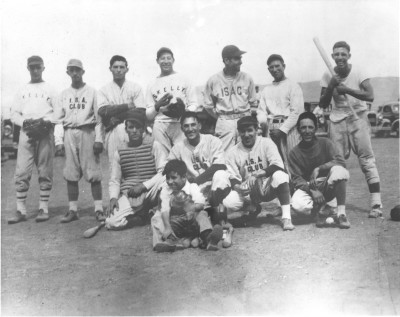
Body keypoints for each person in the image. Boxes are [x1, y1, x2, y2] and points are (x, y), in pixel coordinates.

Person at [319, 41, 383, 218]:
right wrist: (331, 85)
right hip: (337, 119)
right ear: (332, 56)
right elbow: (322, 103)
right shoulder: (327, 74)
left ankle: (376, 204)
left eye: (343, 54)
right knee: (336, 162)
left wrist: (347, 90)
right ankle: (333, 205)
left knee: (367, 160)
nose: (340, 57)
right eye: (336, 54)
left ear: (349, 56)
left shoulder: (358, 71)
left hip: (358, 117)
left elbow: (370, 95)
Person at [168, 111, 233, 247]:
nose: (190, 129)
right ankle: (202, 235)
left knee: (220, 176)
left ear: (199, 125)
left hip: (212, 187)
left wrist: (197, 180)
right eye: (186, 126)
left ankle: (223, 229)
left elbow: (220, 165)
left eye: (193, 125)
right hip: (193, 192)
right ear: (182, 129)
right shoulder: (178, 147)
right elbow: (169, 168)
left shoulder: (211, 140)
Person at [53, 59, 105, 223]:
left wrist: (99, 139)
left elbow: (99, 119)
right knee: (71, 172)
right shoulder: (63, 94)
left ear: (83, 72)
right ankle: (73, 210)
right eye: (71, 70)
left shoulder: (92, 92)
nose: (75, 73)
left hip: (87, 130)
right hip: (69, 132)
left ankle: (98, 209)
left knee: (93, 172)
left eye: (77, 70)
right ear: (67, 72)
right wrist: (58, 141)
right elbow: (58, 120)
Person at [222, 115, 295, 230]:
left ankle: (286, 218)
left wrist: (257, 174)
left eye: (250, 130)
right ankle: (253, 207)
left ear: (256, 130)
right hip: (249, 190)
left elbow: (278, 165)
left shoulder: (266, 143)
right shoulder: (232, 152)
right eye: (242, 131)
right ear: (238, 132)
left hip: (268, 186)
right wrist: (237, 187)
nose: (246, 135)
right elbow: (232, 176)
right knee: (229, 202)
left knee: (281, 175)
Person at [8, 56, 57, 224]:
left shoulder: (50, 89)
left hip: (44, 131)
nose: (35, 70)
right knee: (22, 171)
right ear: (27, 68)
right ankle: (21, 210)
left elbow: (58, 112)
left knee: (45, 170)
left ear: (43, 67)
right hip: (27, 132)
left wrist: (45, 122)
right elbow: (14, 113)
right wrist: (25, 123)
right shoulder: (22, 90)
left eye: (38, 67)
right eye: (32, 67)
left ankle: (43, 208)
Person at [289, 112, 351, 228]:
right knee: (297, 205)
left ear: (316, 128)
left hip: (327, 183)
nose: (307, 131)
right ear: (298, 130)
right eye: (303, 128)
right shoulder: (294, 152)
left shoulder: (325, 143)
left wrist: (319, 168)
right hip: (309, 186)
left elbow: (341, 161)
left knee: (339, 170)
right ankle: (323, 209)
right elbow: (296, 178)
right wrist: (312, 191)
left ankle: (341, 213)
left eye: (310, 127)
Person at [107, 109, 167, 229]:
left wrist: (144, 185)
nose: (134, 131)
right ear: (126, 130)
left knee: (166, 180)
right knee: (111, 222)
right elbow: (115, 179)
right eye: (131, 127)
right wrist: (113, 197)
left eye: (138, 127)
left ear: (143, 129)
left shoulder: (154, 145)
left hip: (151, 190)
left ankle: (158, 211)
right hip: (131, 193)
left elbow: (163, 171)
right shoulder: (119, 151)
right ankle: (140, 219)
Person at [151, 160, 223, 252]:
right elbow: (164, 210)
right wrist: (167, 227)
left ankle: (208, 238)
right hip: (175, 225)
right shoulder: (165, 190)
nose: (169, 181)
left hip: (191, 223)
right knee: (157, 217)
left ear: (184, 177)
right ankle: (165, 241)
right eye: (167, 178)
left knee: (201, 214)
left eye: (173, 178)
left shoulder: (192, 187)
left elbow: (200, 205)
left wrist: (189, 208)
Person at [204, 45, 258, 151]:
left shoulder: (247, 78)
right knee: (225, 154)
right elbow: (208, 106)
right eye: (237, 58)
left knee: (248, 153)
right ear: (226, 60)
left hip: (244, 118)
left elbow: (253, 103)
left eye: (240, 58)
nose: (241, 62)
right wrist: (221, 118)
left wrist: (248, 117)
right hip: (225, 121)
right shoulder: (213, 80)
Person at [146, 47, 198, 153]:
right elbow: (148, 115)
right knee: (161, 159)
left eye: (168, 58)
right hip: (160, 124)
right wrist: (157, 106)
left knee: (184, 155)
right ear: (157, 61)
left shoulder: (184, 78)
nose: (165, 61)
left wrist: (185, 111)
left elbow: (194, 103)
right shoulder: (152, 84)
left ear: (173, 60)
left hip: (180, 123)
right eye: (162, 58)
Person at [97, 55, 145, 168]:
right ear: (110, 69)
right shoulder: (104, 90)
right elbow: (103, 111)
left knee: (134, 166)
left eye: (122, 67)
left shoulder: (135, 87)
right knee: (115, 167)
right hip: (113, 132)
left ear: (127, 69)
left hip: (133, 130)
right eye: (116, 67)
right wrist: (126, 106)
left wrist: (117, 117)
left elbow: (141, 112)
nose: (119, 70)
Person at [257, 54, 304, 160]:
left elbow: (297, 112)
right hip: (271, 129)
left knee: (292, 160)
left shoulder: (293, 86)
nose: (274, 69)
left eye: (277, 66)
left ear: (284, 66)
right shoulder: (266, 90)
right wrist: (262, 124)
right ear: (268, 69)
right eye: (271, 67)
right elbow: (261, 111)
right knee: (274, 161)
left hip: (289, 128)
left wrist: (283, 130)